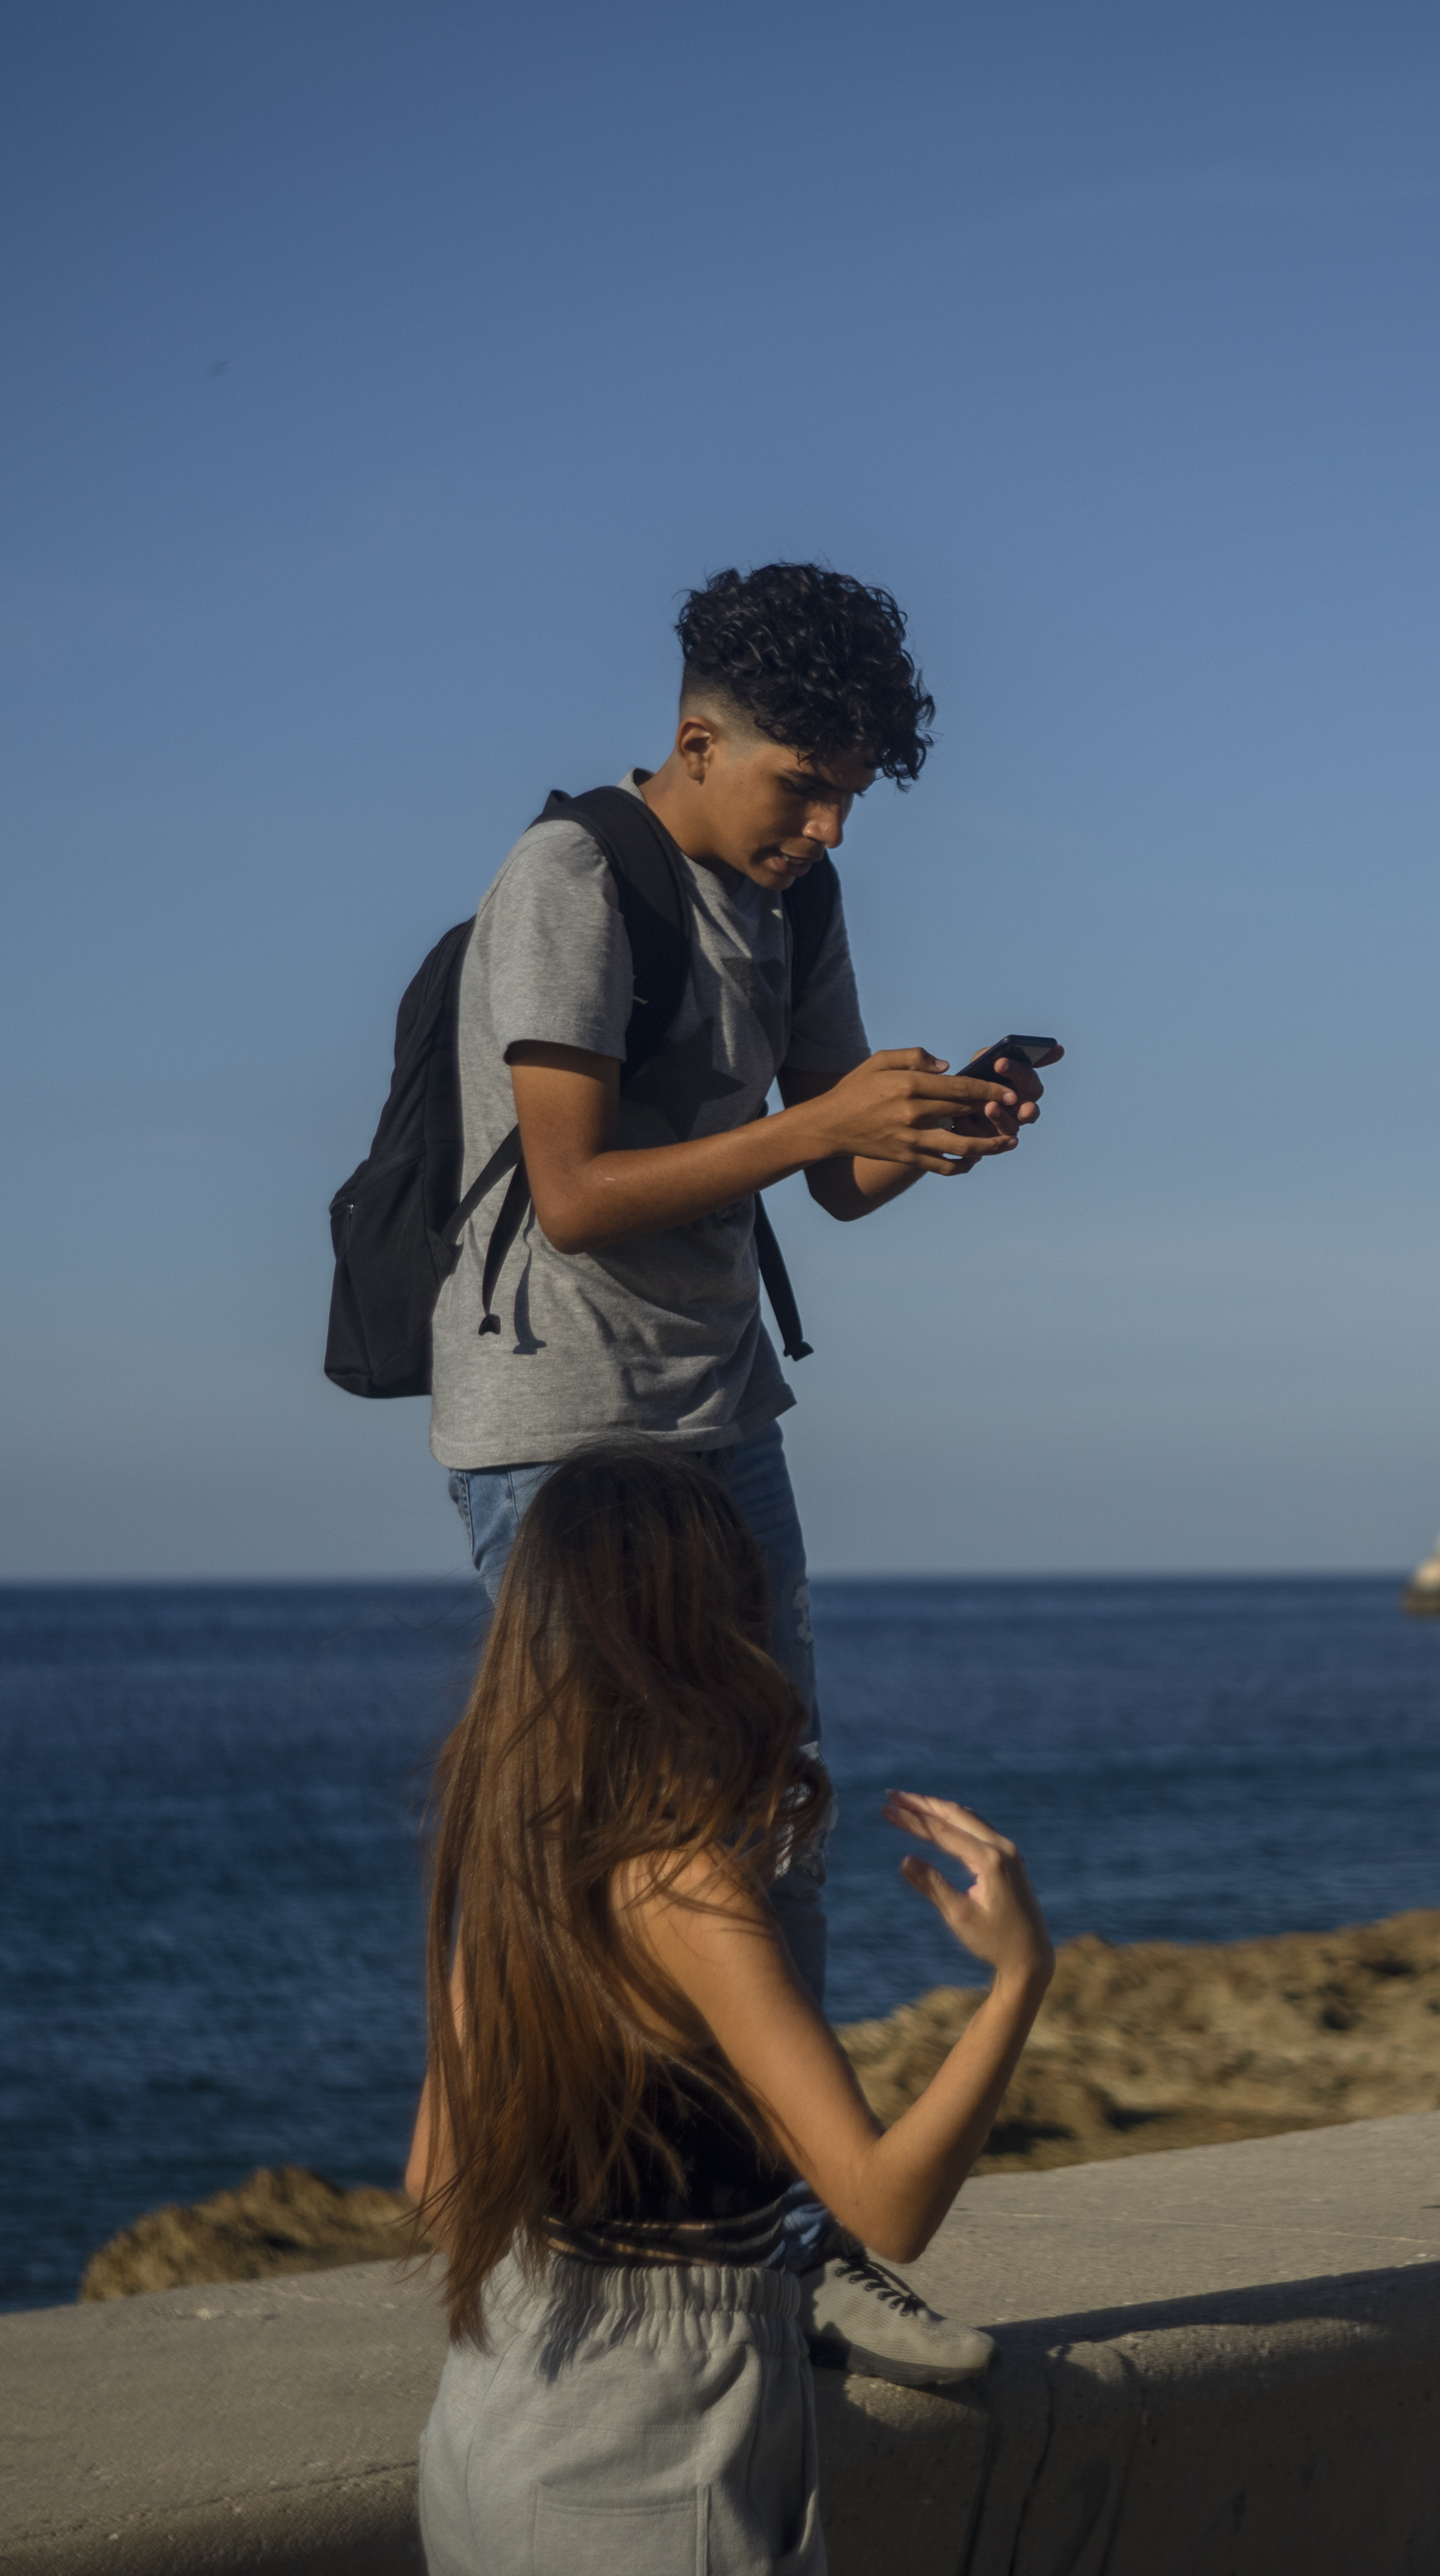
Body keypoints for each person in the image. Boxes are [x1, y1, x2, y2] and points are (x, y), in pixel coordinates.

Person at [428, 561, 1051, 2384]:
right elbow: (573, 1188)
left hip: (724, 1411)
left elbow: (829, 1179)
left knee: (773, 1814)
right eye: (801, 784)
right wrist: (822, 1124)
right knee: (599, 1846)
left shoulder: (805, 891)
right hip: (559, 1434)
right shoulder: (569, 881)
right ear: (697, 737)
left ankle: (789, 2235)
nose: (825, 824)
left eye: (851, 792)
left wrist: (928, 1136)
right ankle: (551, 2245)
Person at [407, 1444, 1052, 2576]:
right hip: (648, 2467)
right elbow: (885, 2206)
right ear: (707, 1630)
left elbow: (437, 2187)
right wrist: (1016, 1979)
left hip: (492, 2432)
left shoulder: (521, 1845)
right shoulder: (686, 1885)